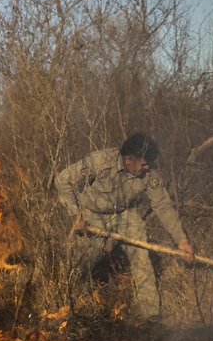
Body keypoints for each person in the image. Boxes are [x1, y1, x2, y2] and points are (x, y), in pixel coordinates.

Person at [54, 133, 194, 321]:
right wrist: (75, 215)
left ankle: (152, 318)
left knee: (142, 260)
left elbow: (163, 206)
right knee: (83, 264)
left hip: (124, 213)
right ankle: (72, 306)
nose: (147, 168)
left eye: (148, 164)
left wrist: (181, 240)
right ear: (128, 160)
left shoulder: (149, 171)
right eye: (143, 164)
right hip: (92, 214)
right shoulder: (101, 160)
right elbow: (63, 180)